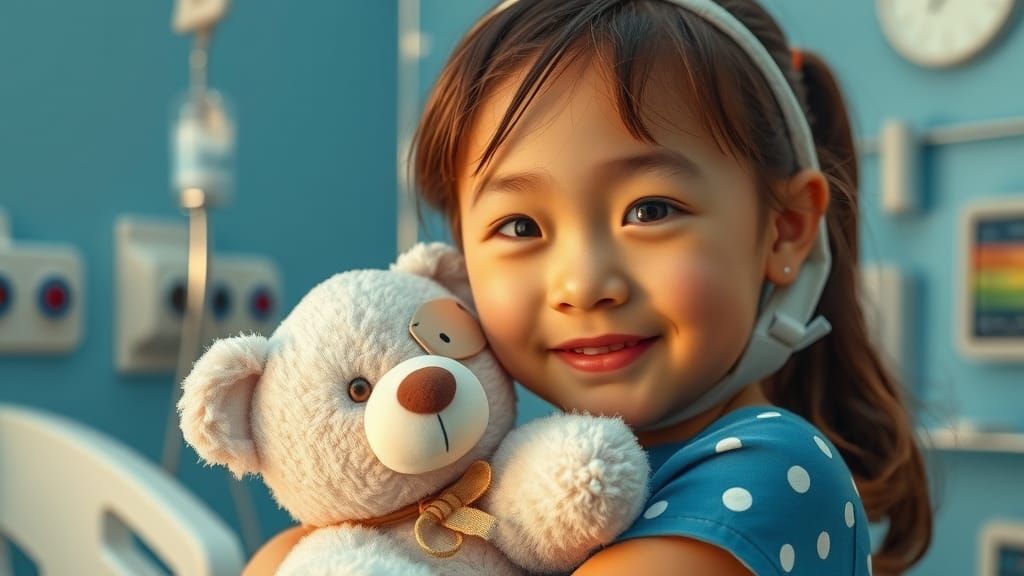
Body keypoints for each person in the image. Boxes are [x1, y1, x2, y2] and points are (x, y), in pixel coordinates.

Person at [411, 0, 933, 574]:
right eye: (519, 226)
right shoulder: (514, 484)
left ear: (784, 232)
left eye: (650, 210)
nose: (583, 286)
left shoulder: (773, 473)